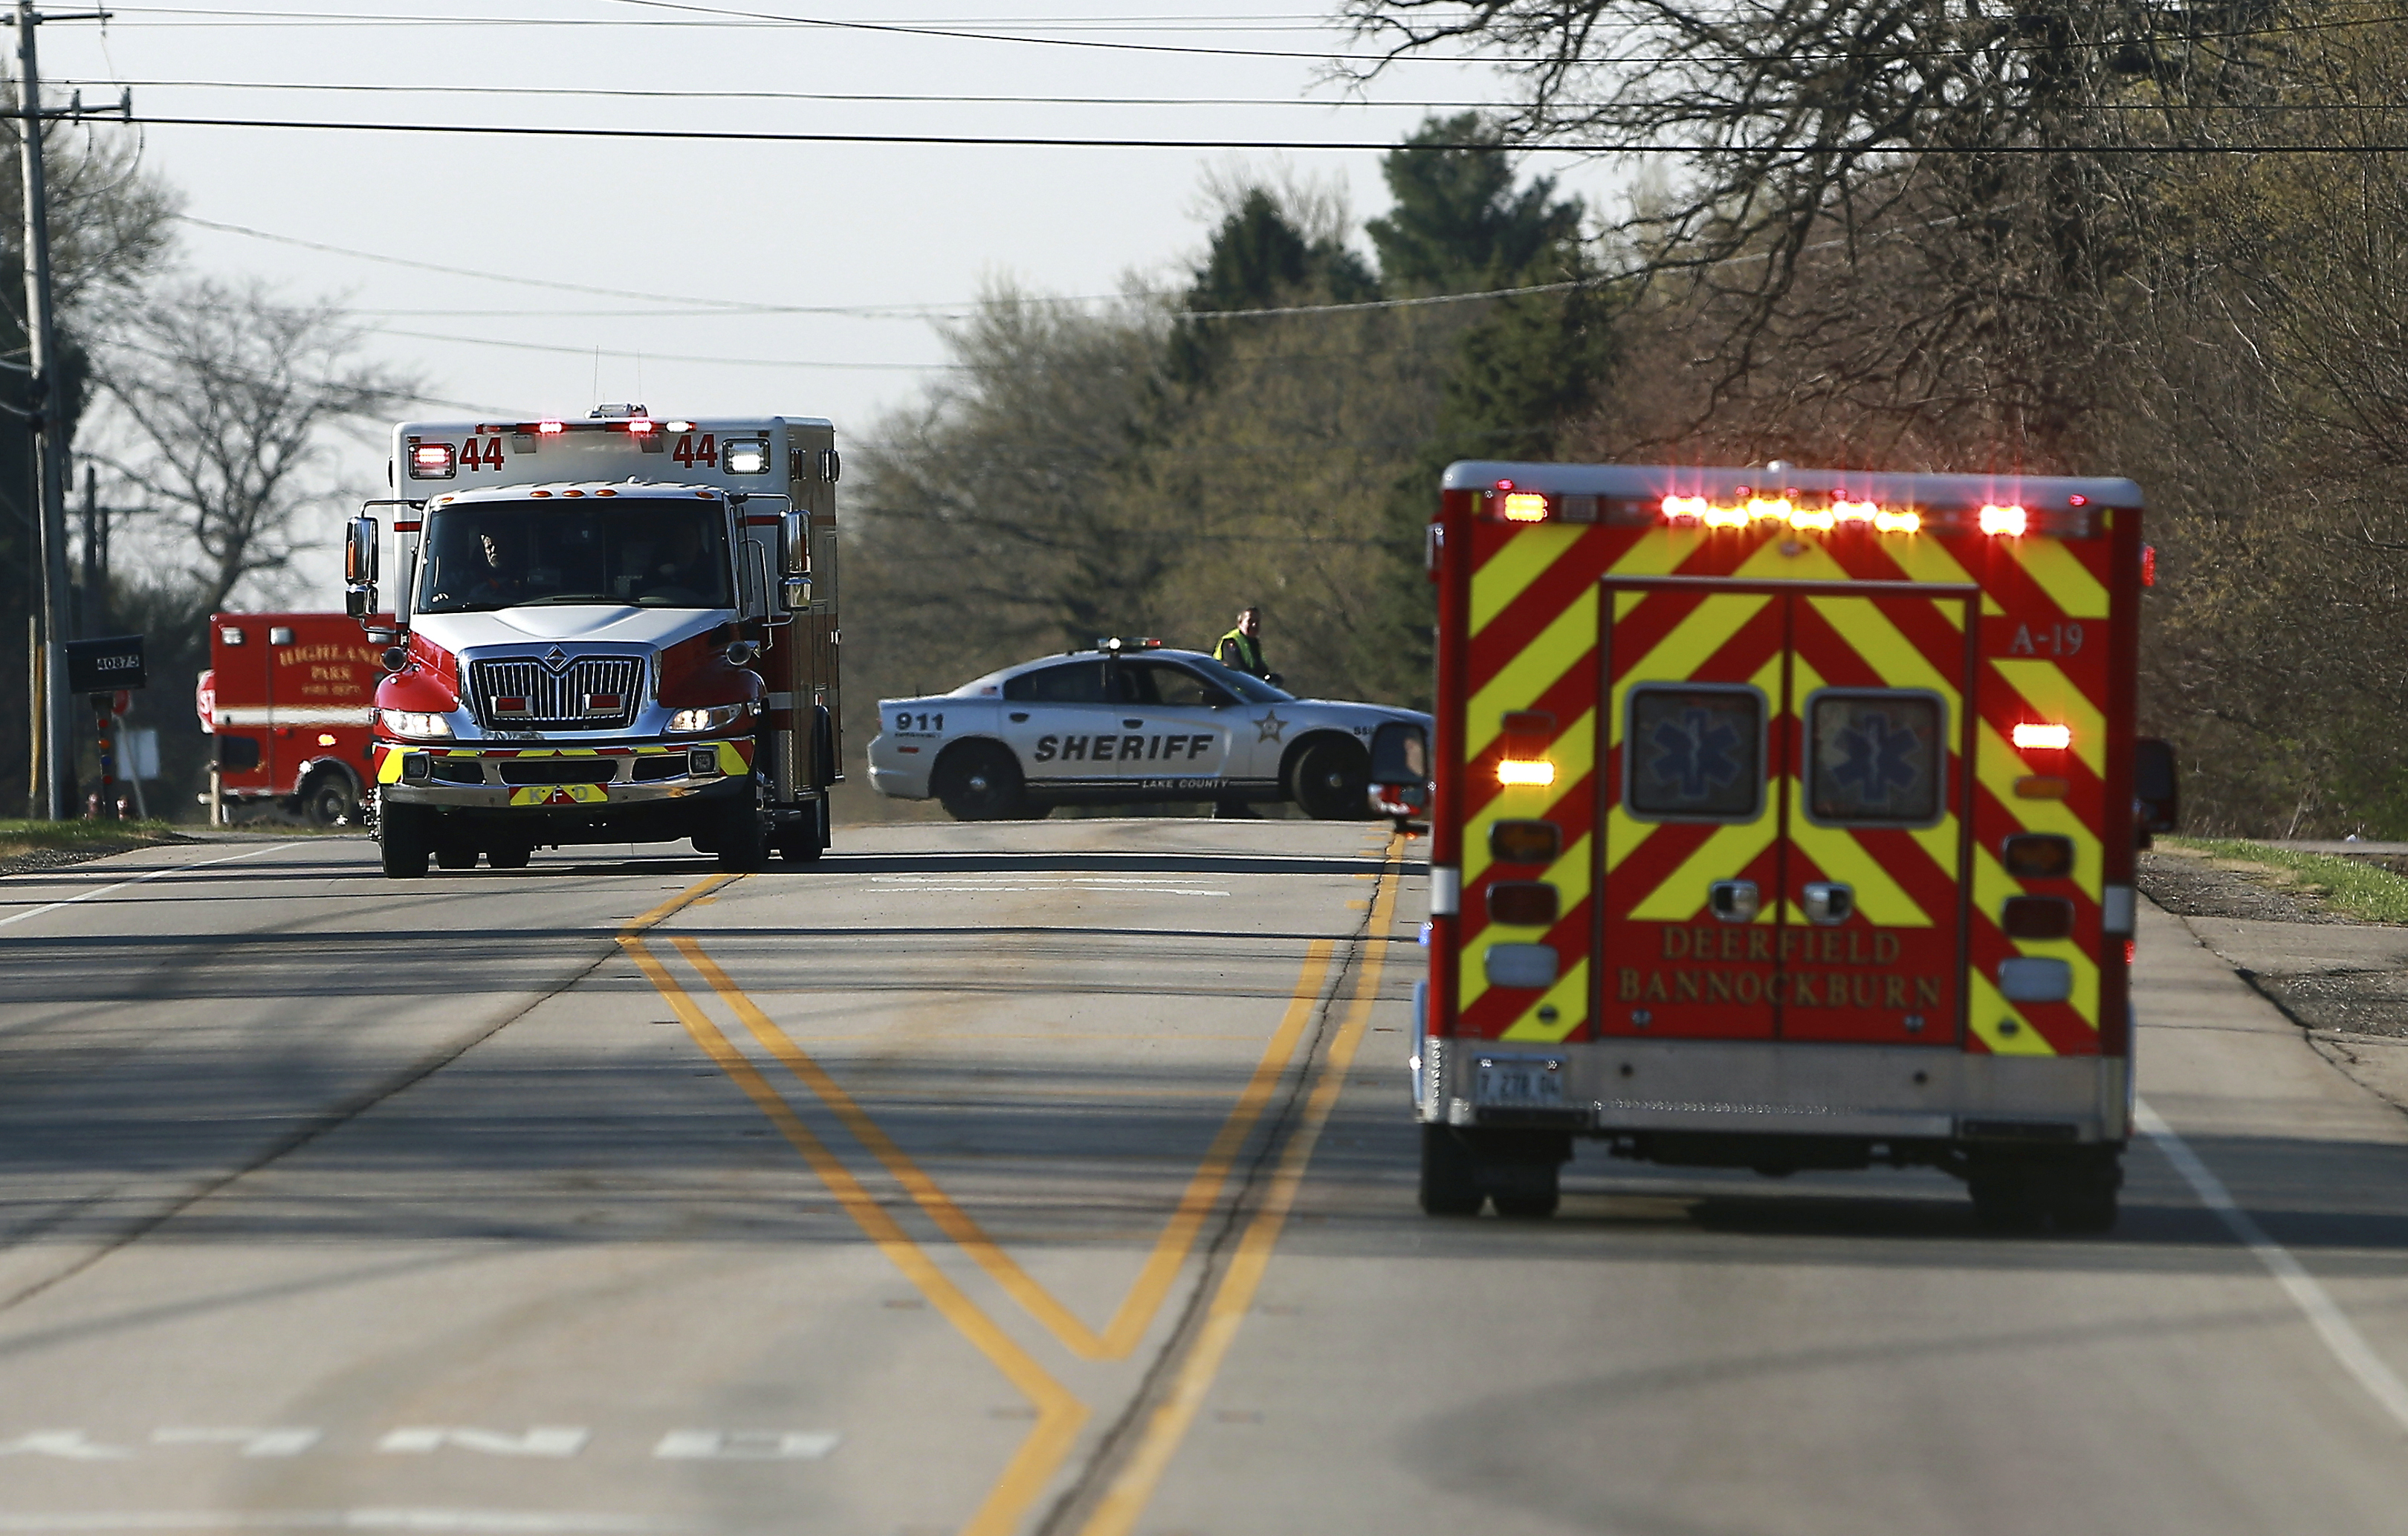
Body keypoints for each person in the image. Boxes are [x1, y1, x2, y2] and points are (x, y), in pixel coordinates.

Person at [1217, 606, 1274, 681]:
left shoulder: (1254, 643)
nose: (1254, 625)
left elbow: (1261, 670)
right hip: (1230, 691)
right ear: (1240, 623)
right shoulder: (1231, 641)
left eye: (1257, 622)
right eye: (1250, 621)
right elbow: (1238, 670)